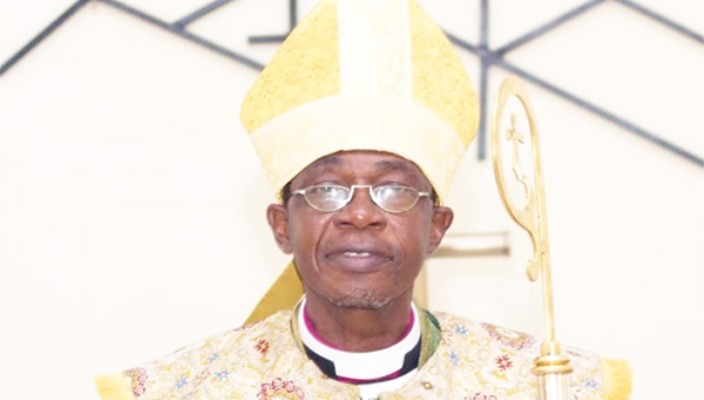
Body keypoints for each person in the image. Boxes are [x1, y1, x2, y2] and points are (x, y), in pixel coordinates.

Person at [96, 0, 632, 399]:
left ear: (437, 225)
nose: (359, 214)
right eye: (327, 189)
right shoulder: (185, 389)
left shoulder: (541, 384)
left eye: (393, 189)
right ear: (281, 225)